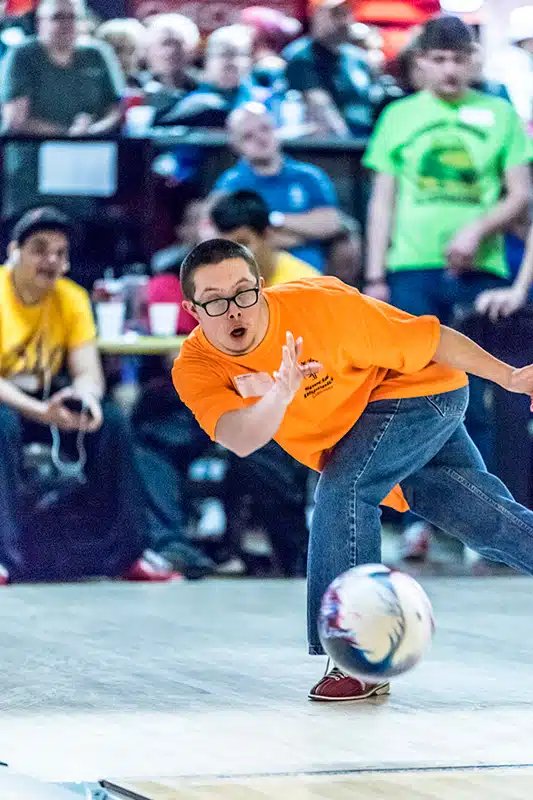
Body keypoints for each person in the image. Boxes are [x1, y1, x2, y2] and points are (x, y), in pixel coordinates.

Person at [173, 237, 533, 701]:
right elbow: (242, 438)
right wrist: (278, 396)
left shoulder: (319, 308)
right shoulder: (197, 365)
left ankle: (355, 655)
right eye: (216, 302)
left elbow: (430, 336)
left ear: (261, 287)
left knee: (344, 488)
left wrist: (508, 376)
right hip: (359, 429)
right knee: (486, 522)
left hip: (420, 395)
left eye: (244, 293)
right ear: (193, 309)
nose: (234, 310)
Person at [363, 15, 532, 559]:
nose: (450, 68)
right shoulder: (398, 116)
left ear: (474, 61)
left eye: (460, 58)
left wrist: (478, 228)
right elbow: (382, 199)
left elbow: (519, 195)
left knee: (475, 397)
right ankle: (413, 519)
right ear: (419, 64)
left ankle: (483, 529)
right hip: (409, 268)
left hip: (480, 274)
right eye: (438, 58)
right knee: (406, 394)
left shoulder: (499, 114)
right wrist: (375, 276)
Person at [0, 207, 175, 583]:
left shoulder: (72, 298)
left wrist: (86, 400)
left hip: (49, 396)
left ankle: (127, 553)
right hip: (9, 400)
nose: (51, 260)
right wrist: (40, 411)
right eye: (40, 249)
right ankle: (4, 555)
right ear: (14, 251)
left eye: (60, 253)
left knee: (111, 422)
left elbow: (87, 371)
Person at [0, 0, 124, 221]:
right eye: (57, 17)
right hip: (31, 178)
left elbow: (116, 109)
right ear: (40, 22)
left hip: (86, 177)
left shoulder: (97, 55)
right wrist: (67, 133)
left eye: (72, 17)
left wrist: (92, 130)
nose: (66, 24)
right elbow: (15, 119)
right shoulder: (22, 56)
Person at [215, 102, 344, 273]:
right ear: (235, 146)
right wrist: (302, 235)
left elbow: (330, 223)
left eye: (265, 128)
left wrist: (273, 219)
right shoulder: (230, 184)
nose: (260, 138)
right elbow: (220, 236)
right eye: (248, 136)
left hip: (311, 281)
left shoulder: (309, 176)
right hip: (255, 282)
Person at [282, 0, 378, 138]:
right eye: (336, 14)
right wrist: (347, 144)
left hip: (367, 137)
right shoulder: (301, 57)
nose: (344, 20)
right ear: (316, 15)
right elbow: (321, 108)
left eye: (347, 13)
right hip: (334, 145)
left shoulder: (357, 58)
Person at [209, 189, 320, 285]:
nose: (233, 257)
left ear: (267, 235)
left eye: (243, 244)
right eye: (225, 247)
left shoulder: (307, 286)